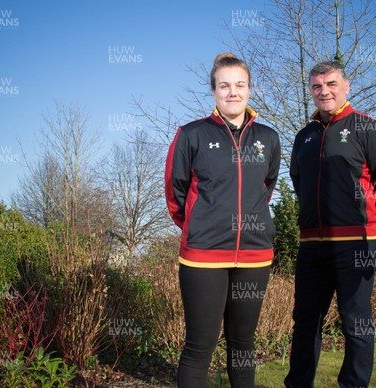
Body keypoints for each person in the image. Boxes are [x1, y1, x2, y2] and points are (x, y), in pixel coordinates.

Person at [165, 53, 281, 388]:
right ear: (214, 91)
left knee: (243, 345)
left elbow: (265, 189)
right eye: (225, 85)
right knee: (199, 347)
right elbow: (175, 193)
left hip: (255, 256)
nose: (233, 92)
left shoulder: (268, 139)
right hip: (203, 256)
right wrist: (199, 226)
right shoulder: (191, 134)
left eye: (240, 85)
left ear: (250, 89)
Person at [285, 61, 376, 387]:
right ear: (311, 90)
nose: (324, 91)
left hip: (357, 243)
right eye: (317, 86)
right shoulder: (303, 137)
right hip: (311, 245)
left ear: (346, 86)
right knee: (306, 321)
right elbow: (299, 183)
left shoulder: (368, 128)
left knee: (355, 321)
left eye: (331, 84)